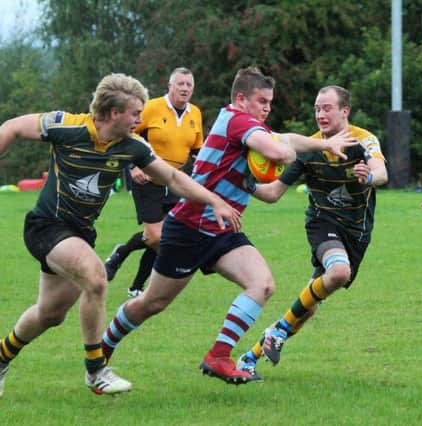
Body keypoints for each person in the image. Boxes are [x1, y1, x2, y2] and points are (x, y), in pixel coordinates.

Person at [100, 67, 358, 386]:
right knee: (152, 302)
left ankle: (219, 356)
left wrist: (324, 145)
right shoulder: (237, 120)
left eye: (269, 102)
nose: (267, 108)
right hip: (191, 226)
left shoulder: (249, 125)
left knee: (262, 284)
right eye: (261, 101)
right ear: (240, 99)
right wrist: (290, 154)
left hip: (224, 228)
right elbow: (281, 149)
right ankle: (103, 348)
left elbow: (285, 138)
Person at [0, 73, 240, 397]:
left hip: (80, 233)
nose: (140, 119)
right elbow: (11, 127)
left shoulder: (133, 146)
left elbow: (171, 177)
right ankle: (96, 370)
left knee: (50, 314)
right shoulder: (65, 125)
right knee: (97, 277)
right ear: (114, 113)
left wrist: (214, 200)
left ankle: (2, 357)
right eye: (135, 113)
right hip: (46, 226)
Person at [235, 85, 388, 380]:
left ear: (345, 111)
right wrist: (244, 183)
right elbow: (273, 194)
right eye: (317, 108)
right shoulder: (308, 149)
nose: (320, 114)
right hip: (322, 224)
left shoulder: (364, 140)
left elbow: (381, 173)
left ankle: (250, 356)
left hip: (356, 233)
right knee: (339, 272)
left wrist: (369, 175)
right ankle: (278, 330)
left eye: (327, 108)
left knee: (308, 308)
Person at [104, 67, 204, 297]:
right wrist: (133, 166)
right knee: (156, 236)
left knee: (165, 237)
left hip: (175, 180)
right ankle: (122, 252)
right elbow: (125, 134)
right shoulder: (151, 107)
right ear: (170, 86)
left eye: (189, 85)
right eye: (180, 84)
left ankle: (136, 287)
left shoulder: (195, 113)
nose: (185, 88)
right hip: (147, 176)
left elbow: (198, 149)